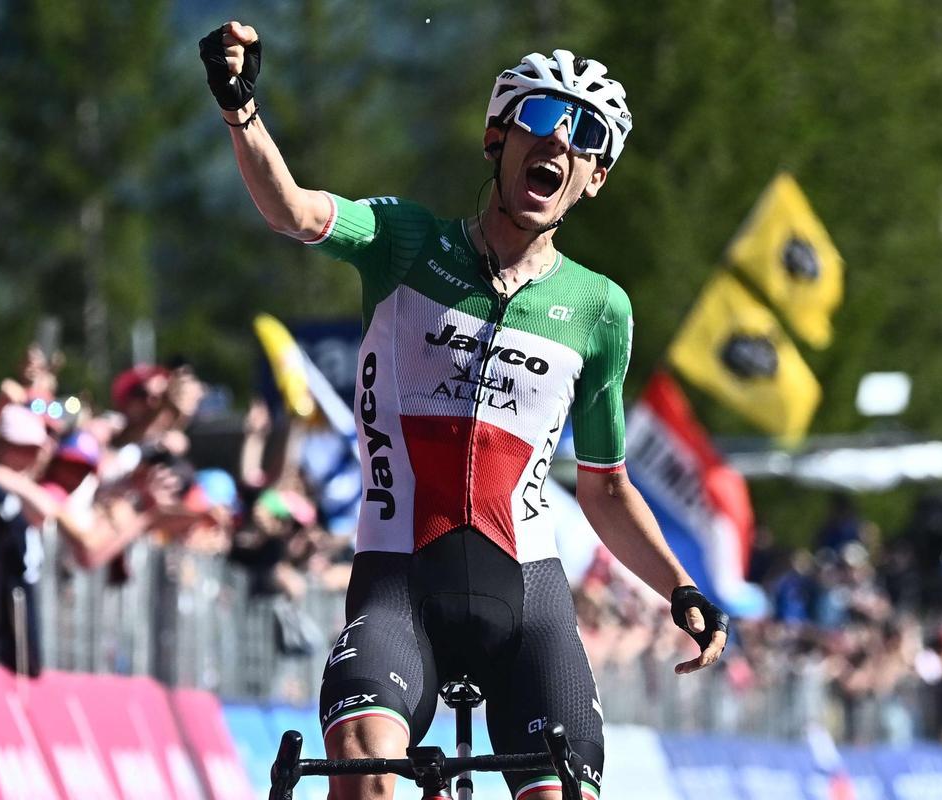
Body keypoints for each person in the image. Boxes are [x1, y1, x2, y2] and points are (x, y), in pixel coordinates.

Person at [199, 23, 729, 800]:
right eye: (541, 117)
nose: (561, 142)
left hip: (529, 606)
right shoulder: (406, 242)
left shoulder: (599, 308)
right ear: (497, 136)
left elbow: (607, 486)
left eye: (587, 135)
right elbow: (295, 211)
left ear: (595, 177)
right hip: (398, 586)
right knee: (362, 770)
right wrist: (241, 109)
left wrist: (681, 586)